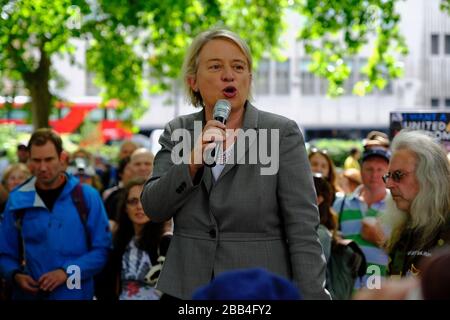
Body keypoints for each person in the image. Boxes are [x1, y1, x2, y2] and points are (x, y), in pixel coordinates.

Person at [140, 28, 329, 300]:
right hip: (188, 291)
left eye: (238, 66)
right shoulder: (178, 131)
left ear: (249, 79)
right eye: (215, 66)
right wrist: (190, 166)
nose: (229, 75)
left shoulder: (281, 133)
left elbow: (302, 228)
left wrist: (312, 296)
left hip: (258, 291)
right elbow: (153, 207)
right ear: (193, 80)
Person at [0, 128, 112, 300]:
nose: (43, 167)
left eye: (49, 159)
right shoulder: (17, 200)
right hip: (29, 295)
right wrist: (15, 275)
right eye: (36, 160)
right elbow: (5, 252)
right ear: (29, 160)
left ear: (62, 159)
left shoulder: (87, 197)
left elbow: (102, 250)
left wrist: (67, 272)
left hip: (75, 294)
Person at [382, 130, 450, 278]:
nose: (388, 184)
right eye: (388, 176)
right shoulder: (405, 227)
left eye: (398, 175)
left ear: (430, 178)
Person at [96, 178, 172, 300]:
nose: (139, 206)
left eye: (145, 200)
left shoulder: (166, 242)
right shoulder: (117, 241)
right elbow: (106, 285)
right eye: (133, 201)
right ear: (125, 208)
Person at [333, 146, 391, 288]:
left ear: (388, 173)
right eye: (369, 169)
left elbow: (408, 255)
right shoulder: (341, 204)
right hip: (344, 291)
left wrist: (379, 239)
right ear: (361, 170)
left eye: (380, 170)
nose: (374, 174)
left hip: (380, 293)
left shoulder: (397, 207)